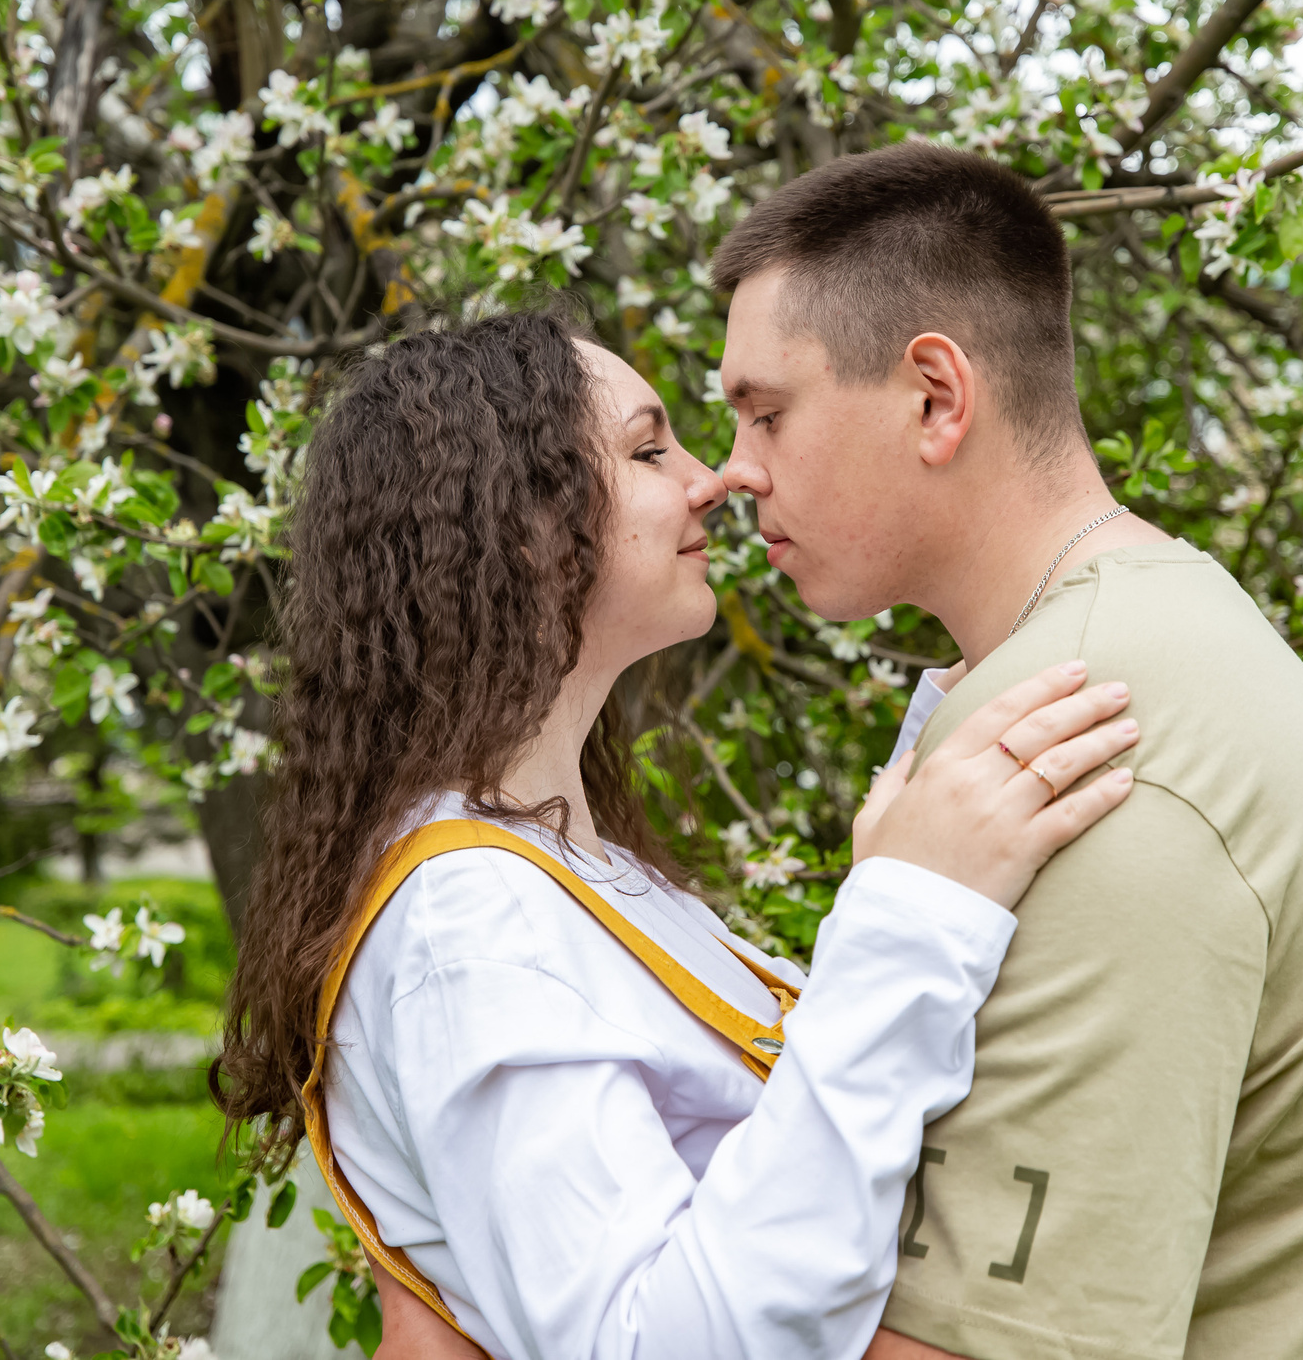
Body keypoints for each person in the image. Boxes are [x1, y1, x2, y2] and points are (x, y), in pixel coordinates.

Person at [215, 307, 1147, 1360]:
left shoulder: (564, 868)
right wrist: (909, 917)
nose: (711, 479)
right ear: (515, 520)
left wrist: (943, 768)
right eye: (649, 449)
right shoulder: (471, 921)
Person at [711, 140, 1303, 1360]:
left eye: (765, 411)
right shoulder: (1150, 646)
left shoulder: (1092, 743)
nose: (731, 471)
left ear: (934, 396)